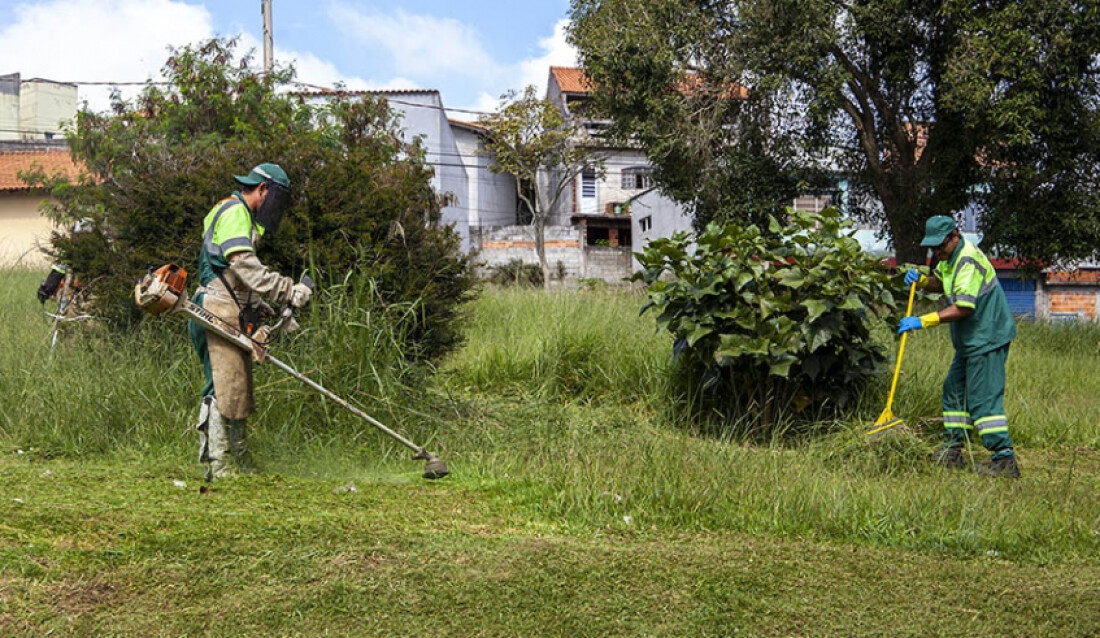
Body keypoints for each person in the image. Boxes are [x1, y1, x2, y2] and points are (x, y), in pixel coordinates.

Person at [188, 162, 312, 482]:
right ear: (264, 190)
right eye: (277, 200)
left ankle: (240, 462)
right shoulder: (234, 212)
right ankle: (219, 465)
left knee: (236, 387)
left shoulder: (233, 213)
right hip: (215, 308)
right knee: (222, 387)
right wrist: (287, 291)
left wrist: (258, 304)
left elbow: (226, 273)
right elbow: (241, 263)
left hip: (226, 305)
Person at [899, 215, 1019, 478]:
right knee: (953, 389)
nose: (937, 252)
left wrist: (923, 321)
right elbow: (940, 283)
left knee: (983, 400)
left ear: (954, 236)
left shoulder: (967, 259)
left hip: (988, 337)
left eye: (940, 246)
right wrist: (921, 282)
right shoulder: (948, 259)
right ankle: (953, 449)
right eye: (932, 248)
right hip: (970, 341)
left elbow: (964, 307)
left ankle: (1004, 459)